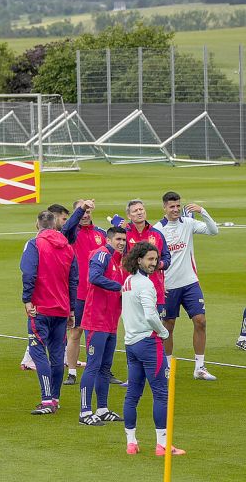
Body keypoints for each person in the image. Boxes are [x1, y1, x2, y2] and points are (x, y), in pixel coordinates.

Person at [120, 241, 184, 456]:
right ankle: (162, 445)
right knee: (161, 394)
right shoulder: (146, 285)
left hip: (131, 343)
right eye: (150, 259)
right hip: (148, 343)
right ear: (139, 260)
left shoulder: (128, 281)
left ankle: (131, 443)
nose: (154, 263)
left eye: (156, 259)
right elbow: (149, 315)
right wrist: (164, 332)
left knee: (132, 394)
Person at [153, 191, 219, 381]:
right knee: (168, 326)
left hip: (190, 283)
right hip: (168, 286)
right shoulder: (157, 230)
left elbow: (213, 231)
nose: (175, 210)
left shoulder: (188, 223)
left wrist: (202, 211)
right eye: (171, 206)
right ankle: (166, 366)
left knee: (201, 321)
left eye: (177, 206)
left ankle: (200, 367)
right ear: (164, 207)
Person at [20, 210, 78, 415]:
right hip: (61, 309)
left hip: (40, 308)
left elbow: (29, 273)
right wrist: (71, 308)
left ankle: (47, 400)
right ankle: (55, 398)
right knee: (56, 354)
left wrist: (27, 300)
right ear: (54, 225)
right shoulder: (68, 248)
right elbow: (74, 280)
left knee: (37, 351)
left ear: (37, 225)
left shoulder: (34, 244)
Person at [78, 226, 127, 426]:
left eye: (124, 239)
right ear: (109, 239)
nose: (122, 242)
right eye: (118, 239)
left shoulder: (118, 260)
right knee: (93, 365)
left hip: (110, 322)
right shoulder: (101, 255)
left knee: (105, 367)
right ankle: (84, 412)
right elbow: (94, 277)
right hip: (95, 320)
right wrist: (121, 287)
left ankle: (102, 409)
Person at [62, 199, 105, 386]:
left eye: (88, 212)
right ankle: (71, 372)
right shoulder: (71, 234)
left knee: (100, 332)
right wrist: (80, 209)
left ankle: (102, 370)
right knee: (76, 331)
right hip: (79, 292)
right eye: (83, 212)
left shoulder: (102, 233)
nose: (86, 215)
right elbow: (68, 226)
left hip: (101, 292)